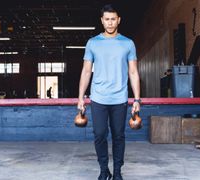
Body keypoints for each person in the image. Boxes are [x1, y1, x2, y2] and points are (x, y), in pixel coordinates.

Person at [77, 4, 141, 180]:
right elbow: (86, 71)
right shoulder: (93, 43)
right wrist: (81, 97)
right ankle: (104, 169)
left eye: (113, 19)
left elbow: (133, 72)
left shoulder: (128, 43)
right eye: (107, 19)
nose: (110, 23)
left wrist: (137, 99)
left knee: (119, 136)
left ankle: (118, 172)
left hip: (120, 97)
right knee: (99, 135)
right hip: (98, 98)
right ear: (102, 21)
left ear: (118, 20)